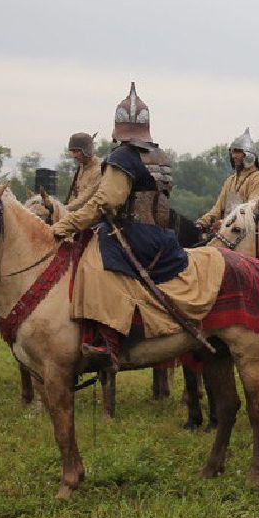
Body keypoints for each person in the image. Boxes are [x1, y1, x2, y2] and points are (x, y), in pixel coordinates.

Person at [49, 82, 198, 353]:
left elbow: (105, 202)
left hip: (134, 234)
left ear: (117, 129)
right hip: (163, 234)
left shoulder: (124, 156)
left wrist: (64, 225)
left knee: (91, 265)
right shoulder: (159, 154)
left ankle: (108, 338)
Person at [197, 128, 259, 235]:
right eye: (233, 152)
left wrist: (224, 223)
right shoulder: (230, 180)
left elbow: (252, 212)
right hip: (227, 234)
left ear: (249, 155)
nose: (234, 156)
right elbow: (217, 210)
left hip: (248, 236)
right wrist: (201, 224)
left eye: (238, 152)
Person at [64, 132, 103, 208]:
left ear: (87, 151)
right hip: (77, 213)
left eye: (77, 151)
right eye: (73, 151)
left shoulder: (98, 170)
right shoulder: (81, 168)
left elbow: (86, 198)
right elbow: (75, 195)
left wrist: (64, 209)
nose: (74, 156)